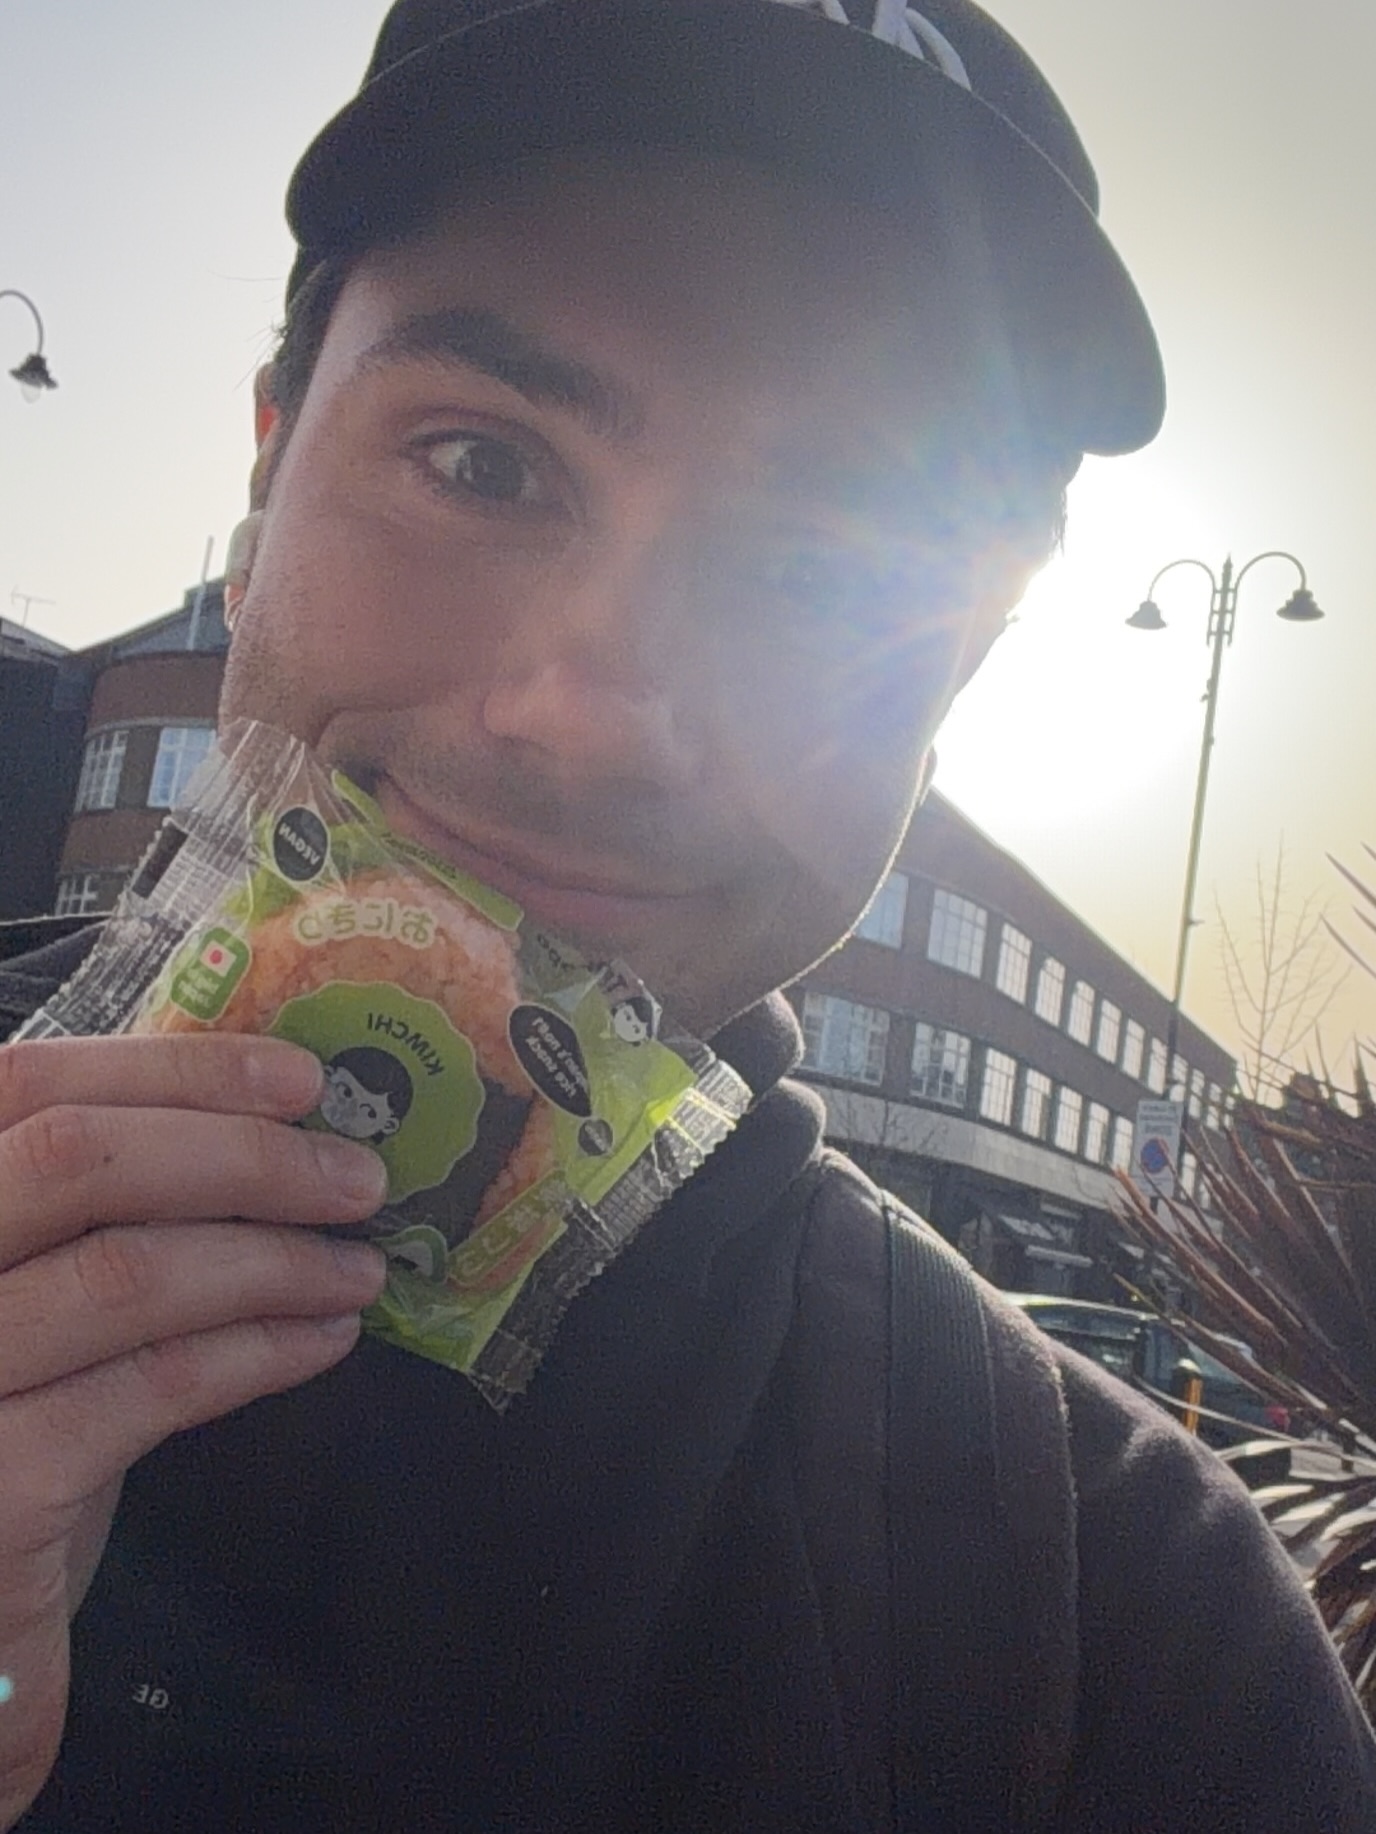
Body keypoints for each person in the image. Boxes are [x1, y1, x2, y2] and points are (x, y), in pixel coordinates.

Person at [2, 2, 1373, 1828]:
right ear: (268, 464)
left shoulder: (1132, 1634)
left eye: (817, 573)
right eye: (483, 462)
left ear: (957, 681)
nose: (589, 712)